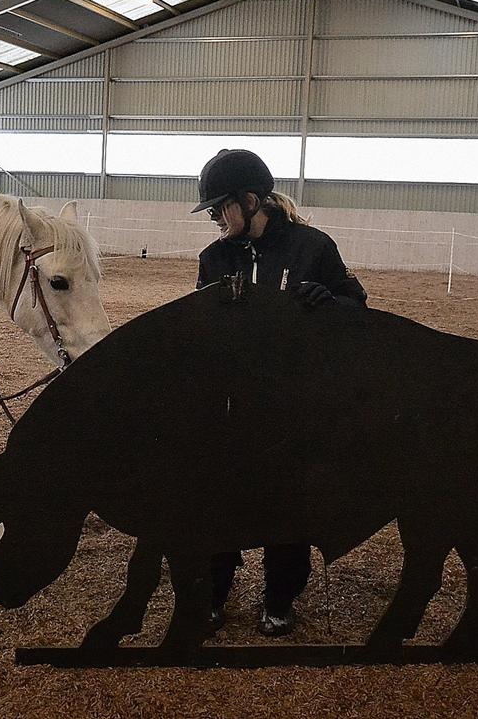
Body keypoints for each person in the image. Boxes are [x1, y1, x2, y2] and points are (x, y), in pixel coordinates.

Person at [191, 147, 368, 637]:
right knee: (221, 501)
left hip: (296, 403)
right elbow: (202, 330)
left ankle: (279, 598)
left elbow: (358, 307)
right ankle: (211, 596)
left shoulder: (313, 247)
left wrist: (330, 302)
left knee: (288, 506)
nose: (213, 217)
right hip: (233, 406)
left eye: (220, 206)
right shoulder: (214, 257)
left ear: (251, 201)